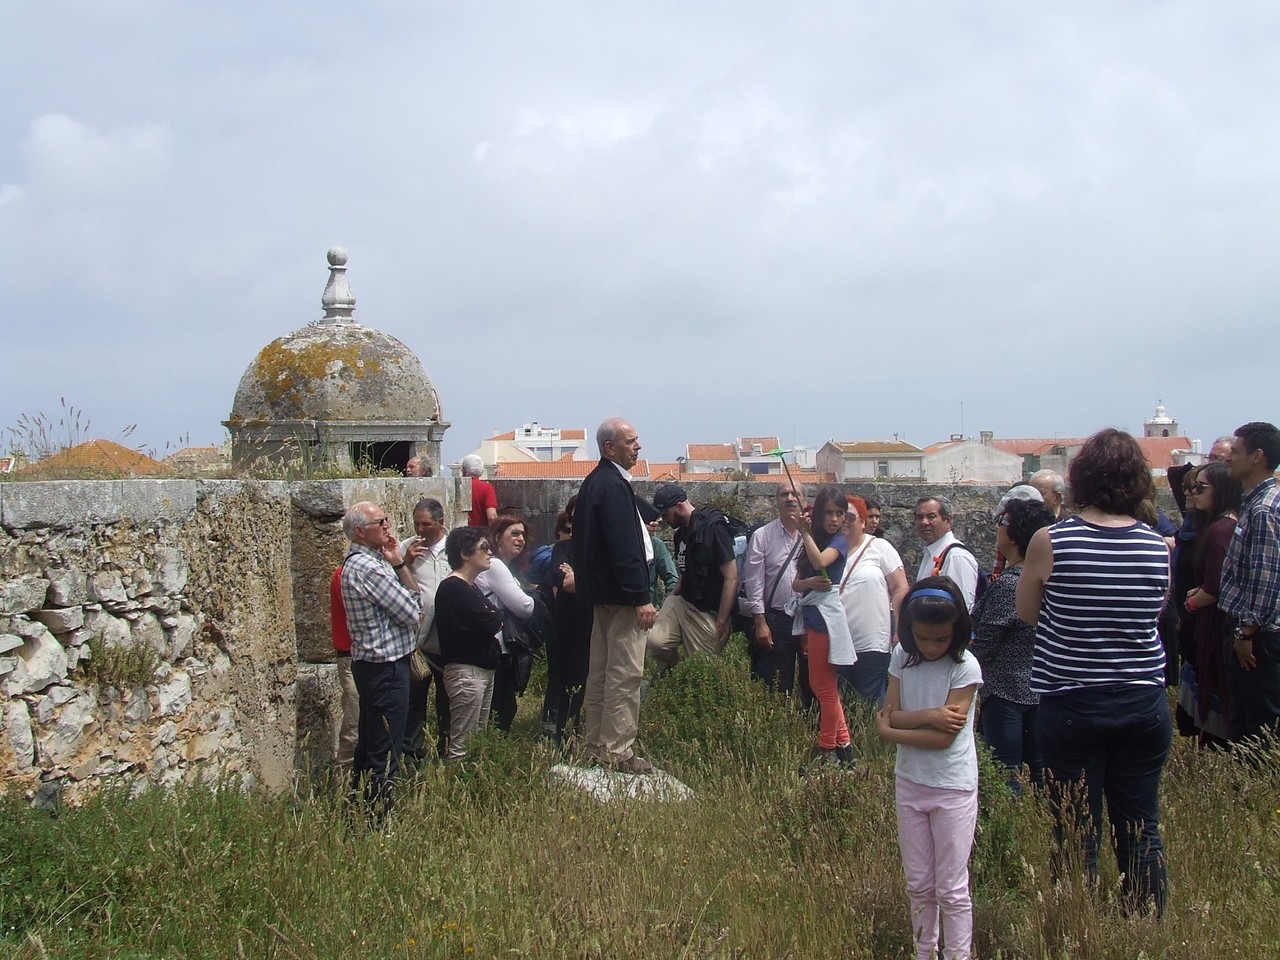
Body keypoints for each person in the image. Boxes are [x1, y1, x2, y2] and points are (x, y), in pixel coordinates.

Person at [1016, 427, 1172, 916]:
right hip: (1142, 698)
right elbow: (1154, 611)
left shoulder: (1052, 540)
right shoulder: (1154, 544)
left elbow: (1026, 612)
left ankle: (1076, 922)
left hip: (1072, 701)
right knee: (1140, 824)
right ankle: (1144, 924)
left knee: (1076, 827)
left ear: (1081, 477)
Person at [876, 577, 982, 960]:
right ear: (909, 631)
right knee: (919, 883)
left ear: (957, 633)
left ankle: (957, 955)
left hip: (952, 787)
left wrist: (895, 727)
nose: (932, 647)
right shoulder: (901, 656)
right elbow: (889, 714)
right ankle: (924, 952)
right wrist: (932, 715)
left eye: (941, 639)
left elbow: (942, 739)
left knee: (951, 887)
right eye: (923, 638)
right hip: (910, 783)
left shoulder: (966, 666)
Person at [571, 417, 658, 774]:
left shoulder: (594, 482)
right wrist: (641, 596)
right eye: (630, 442)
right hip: (623, 597)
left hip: (602, 595)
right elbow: (625, 547)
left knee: (601, 672)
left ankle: (595, 743)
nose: (637, 447)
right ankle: (618, 750)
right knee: (624, 674)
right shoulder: (614, 485)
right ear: (610, 448)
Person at [340, 500, 422, 822]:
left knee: (373, 741)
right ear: (361, 531)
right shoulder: (368, 568)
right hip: (385, 666)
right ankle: (377, 818)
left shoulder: (374, 563)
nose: (388, 526)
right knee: (385, 746)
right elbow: (413, 612)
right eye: (381, 522)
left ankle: (359, 810)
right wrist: (400, 567)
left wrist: (398, 563)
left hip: (375, 665)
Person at [970, 497, 1055, 793]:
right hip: (1038, 688)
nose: (997, 528)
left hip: (1007, 691)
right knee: (1040, 774)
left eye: (1002, 522)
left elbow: (986, 643)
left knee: (1005, 775)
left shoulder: (1011, 584)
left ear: (1016, 533)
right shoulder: (1041, 578)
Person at [1220, 421, 1280, 743]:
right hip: (1255, 634)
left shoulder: (1264, 510)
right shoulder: (1255, 504)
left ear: (1257, 456)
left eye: (1236, 450)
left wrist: (1246, 632)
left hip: (1260, 640)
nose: (1228, 457)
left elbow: (1265, 577)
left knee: (1260, 731)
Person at [793, 487, 857, 770]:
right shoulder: (816, 539)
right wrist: (810, 584)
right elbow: (796, 583)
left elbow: (820, 562)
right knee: (821, 684)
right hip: (813, 615)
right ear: (818, 514)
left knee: (824, 685)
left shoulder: (840, 541)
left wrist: (803, 533)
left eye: (839, 513)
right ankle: (845, 746)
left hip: (827, 618)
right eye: (828, 513)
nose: (834, 519)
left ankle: (826, 747)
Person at [1180, 462, 1242, 746]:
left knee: (1215, 690)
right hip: (1211, 620)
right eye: (1191, 487)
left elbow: (1217, 584)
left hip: (1215, 624)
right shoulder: (1217, 526)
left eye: (1200, 487)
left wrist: (1194, 601)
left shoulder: (1220, 530)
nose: (1193, 493)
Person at [646, 484, 739, 665]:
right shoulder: (680, 534)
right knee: (653, 643)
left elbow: (732, 577)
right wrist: (670, 600)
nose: (664, 520)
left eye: (666, 514)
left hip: (707, 612)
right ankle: (677, 669)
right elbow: (685, 572)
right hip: (683, 602)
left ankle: (685, 675)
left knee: (702, 668)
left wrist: (721, 621)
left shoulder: (713, 529)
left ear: (680, 506)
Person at [435, 526, 505, 761]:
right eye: (484, 548)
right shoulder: (454, 587)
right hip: (467, 672)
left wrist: (493, 616)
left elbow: (491, 616)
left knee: (478, 739)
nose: (490, 553)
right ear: (465, 553)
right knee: (462, 743)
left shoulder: (470, 586)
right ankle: (454, 789)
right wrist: (494, 616)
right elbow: (490, 620)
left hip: (481, 669)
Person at [836, 494, 908, 707]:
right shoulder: (829, 552)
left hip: (872, 644)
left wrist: (900, 628)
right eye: (840, 516)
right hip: (837, 644)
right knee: (841, 706)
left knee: (870, 705)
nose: (844, 521)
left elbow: (900, 588)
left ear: (863, 521)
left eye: (850, 516)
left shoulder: (880, 547)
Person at [742, 485, 812, 703]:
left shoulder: (814, 535)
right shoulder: (762, 536)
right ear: (776, 501)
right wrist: (760, 623)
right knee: (776, 686)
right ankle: (780, 728)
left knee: (812, 685)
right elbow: (754, 582)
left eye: (795, 495)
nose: (790, 499)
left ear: (804, 500)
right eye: (784, 494)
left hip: (810, 620)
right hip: (777, 620)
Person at [475, 515, 537, 732]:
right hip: (496, 646)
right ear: (498, 537)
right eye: (514, 534)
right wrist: (530, 596)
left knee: (502, 705)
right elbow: (524, 606)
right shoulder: (496, 565)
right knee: (500, 707)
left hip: (498, 645)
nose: (520, 539)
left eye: (523, 535)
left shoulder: (506, 567)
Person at [400, 497, 451, 762]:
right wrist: (405, 562)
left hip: (448, 639)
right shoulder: (406, 548)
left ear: (441, 523)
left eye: (426, 525)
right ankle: (411, 756)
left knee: (449, 701)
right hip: (417, 641)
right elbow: (392, 585)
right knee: (414, 700)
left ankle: (447, 751)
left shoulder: (456, 546)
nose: (420, 530)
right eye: (417, 524)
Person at [544, 508, 595, 744]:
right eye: (571, 523)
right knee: (568, 683)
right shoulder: (563, 548)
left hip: (596, 625)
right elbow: (566, 582)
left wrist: (579, 574)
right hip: (571, 626)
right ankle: (564, 736)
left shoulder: (599, 549)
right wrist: (596, 578)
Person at [914, 497, 980, 609]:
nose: (924, 522)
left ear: (948, 520)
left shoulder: (956, 556)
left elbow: (963, 607)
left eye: (931, 516)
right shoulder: (931, 553)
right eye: (920, 517)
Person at [328, 561, 358, 778]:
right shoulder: (346, 575)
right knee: (353, 727)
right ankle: (343, 789)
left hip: (367, 658)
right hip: (351, 656)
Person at [461, 454, 499, 528]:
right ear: (481, 471)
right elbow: (492, 517)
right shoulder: (486, 487)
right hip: (479, 534)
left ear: (463, 470)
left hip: (458, 534)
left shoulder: (457, 486)